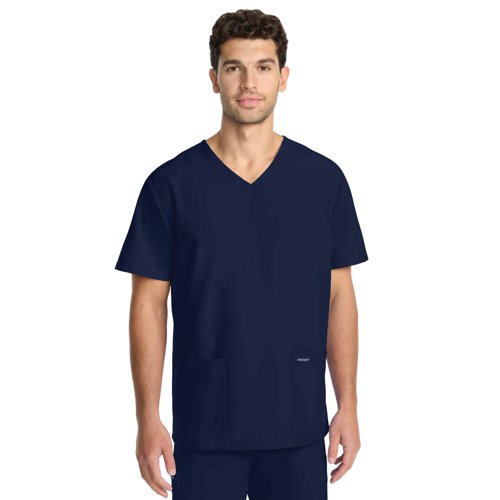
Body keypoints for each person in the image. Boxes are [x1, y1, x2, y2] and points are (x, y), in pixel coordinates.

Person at [114, 8, 369, 499]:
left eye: (263, 67)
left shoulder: (322, 182)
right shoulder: (171, 186)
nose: (249, 83)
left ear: (283, 77)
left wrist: (349, 405)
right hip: (203, 427)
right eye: (234, 67)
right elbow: (148, 304)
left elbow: (339, 296)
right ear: (214, 78)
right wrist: (147, 417)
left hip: (297, 423)